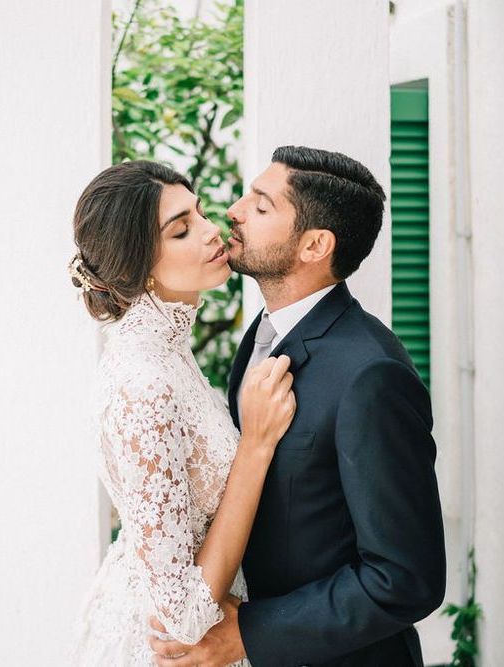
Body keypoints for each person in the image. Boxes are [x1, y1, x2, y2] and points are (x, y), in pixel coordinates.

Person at [148, 146, 447, 667]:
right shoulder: (263, 334)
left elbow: (406, 579)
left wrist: (251, 634)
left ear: (314, 244)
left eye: (261, 207)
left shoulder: (372, 375)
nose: (234, 212)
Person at [68, 160, 297, 665]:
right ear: (138, 266)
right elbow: (185, 617)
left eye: (199, 212)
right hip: (166, 650)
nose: (212, 230)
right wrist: (256, 446)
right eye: (181, 230)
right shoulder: (143, 383)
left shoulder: (166, 348)